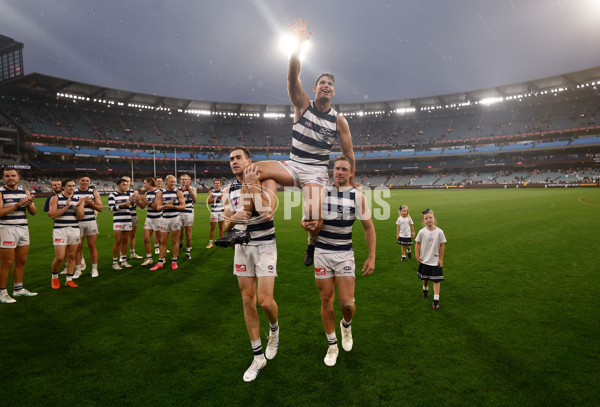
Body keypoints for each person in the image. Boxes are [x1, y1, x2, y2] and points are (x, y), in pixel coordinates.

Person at [216, 19, 356, 269]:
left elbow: (348, 153)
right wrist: (297, 47)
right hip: (293, 164)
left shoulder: (339, 121)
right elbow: (293, 76)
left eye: (330, 85)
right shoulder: (303, 105)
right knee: (252, 170)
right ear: (315, 88)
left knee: (313, 218)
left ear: (334, 92)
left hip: (316, 171)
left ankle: (312, 242)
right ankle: (243, 224)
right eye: (322, 83)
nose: (326, 86)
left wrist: (348, 178)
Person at [303, 155, 375, 367]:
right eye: (337, 169)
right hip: (322, 252)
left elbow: (369, 228)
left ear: (351, 173)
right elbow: (304, 220)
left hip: (344, 253)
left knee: (347, 303)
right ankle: (332, 344)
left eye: (344, 169)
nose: (340, 172)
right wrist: (306, 225)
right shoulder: (320, 192)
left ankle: (346, 325)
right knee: (326, 299)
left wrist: (371, 257)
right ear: (332, 171)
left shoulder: (357, 196)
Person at [221, 146, 280, 382]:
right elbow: (225, 222)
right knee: (248, 300)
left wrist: (253, 184)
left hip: (265, 245)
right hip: (242, 247)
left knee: (265, 301)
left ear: (249, 161)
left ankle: (274, 330)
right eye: (231, 159)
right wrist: (233, 218)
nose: (234, 162)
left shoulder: (267, 180)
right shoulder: (228, 189)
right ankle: (257, 357)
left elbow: (267, 213)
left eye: (238, 158)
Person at [0, 168, 37, 303]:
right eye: (7, 176)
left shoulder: (24, 191)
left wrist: (28, 204)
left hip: (23, 228)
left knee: (21, 260)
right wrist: (19, 204)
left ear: (18, 177)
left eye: (13, 176)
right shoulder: (1, 192)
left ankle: (18, 289)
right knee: (7, 262)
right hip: (7, 229)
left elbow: (33, 212)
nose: (10, 178)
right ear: (4, 178)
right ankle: (2, 292)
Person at [48, 178, 85, 289]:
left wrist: (78, 206)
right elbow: (53, 215)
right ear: (63, 187)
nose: (72, 188)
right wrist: (67, 206)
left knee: (72, 255)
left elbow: (81, 217)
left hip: (74, 229)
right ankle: (54, 277)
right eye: (69, 185)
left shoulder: (79, 199)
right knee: (60, 257)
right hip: (60, 229)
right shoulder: (55, 199)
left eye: (73, 186)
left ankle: (69, 279)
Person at [150, 175, 185, 270]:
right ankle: (160, 262)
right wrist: (165, 206)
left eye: (174, 182)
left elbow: (183, 206)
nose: (173, 183)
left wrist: (173, 207)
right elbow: (158, 207)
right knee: (163, 242)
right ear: (166, 182)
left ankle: (174, 261)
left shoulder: (178, 192)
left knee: (175, 241)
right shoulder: (161, 193)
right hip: (165, 219)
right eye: (171, 182)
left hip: (175, 219)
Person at [415, 209, 446, 310]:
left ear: (434, 219)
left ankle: (436, 300)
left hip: (435, 260)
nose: (428, 220)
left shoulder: (440, 232)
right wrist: (416, 255)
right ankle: (425, 290)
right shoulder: (421, 232)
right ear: (423, 221)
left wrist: (441, 259)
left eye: (430, 218)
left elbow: (442, 246)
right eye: (426, 218)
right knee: (425, 278)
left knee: (436, 280)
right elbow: (417, 243)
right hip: (425, 260)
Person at [74, 175, 103, 278]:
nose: (85, 182)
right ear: (79, 181)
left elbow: (100, 208)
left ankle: (94, 269)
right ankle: (78, 270)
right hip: (77, 223)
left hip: (91, 222)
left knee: (92, 246)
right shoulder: (73, 192)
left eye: (87, 181)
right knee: (78, 247)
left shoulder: (93, 192)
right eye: (83, 180)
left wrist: (90, 204)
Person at [108, 178, 135, 270]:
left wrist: (133, 202)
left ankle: (123, 261)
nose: (126, 186)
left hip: (128, 220)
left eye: (127, 185)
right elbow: (111, 208)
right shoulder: (113, 195)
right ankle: (115, 263)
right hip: (118, 221)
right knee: (118, 241)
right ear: (118, 185)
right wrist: (122, 205)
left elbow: (132, 207)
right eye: (124, 184)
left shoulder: (129, 195)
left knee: (125, 241)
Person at [137, 177, 162, 266]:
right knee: (146, 239)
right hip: (149, 218)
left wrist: (145, 200)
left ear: (150, 183)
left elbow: (157, 207)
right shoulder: (147, 193)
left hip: (158, 219)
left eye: (145, 183)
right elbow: (142, 207)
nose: (143, 185)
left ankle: (162, 258)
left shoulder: (158, 193)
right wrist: (137, 201)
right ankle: (149, 258)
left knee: (160, 240)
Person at [122, 176, 142, 260]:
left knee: (132, 235)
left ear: (130, 182)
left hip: (133, 214)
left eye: (128, 181)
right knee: (123, 236)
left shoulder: (133, 192)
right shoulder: (118, 192)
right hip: (122, 216)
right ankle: (122, 255)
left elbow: (138, 205)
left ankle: (132, 253)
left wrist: (137, 199)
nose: (126, 183)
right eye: (124, 181)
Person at [178, 173, 197, 260]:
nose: (184, 181)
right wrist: (182, 190)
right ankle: (180, 243)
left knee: (188, 232)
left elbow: (194, 199)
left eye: (186, 179)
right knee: (179, 231)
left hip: (189, 211)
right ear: (180, 181)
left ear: (189, 180)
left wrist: (188, 189)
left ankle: (188, 252)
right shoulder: (177, 189)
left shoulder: (193, 189)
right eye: (183, 179)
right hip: (178, 212)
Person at [206, 178, 224, 248]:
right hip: (214, 212)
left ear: (220, 184)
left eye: (218, 183)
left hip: (222, 211)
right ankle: (210, 243)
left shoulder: (223, 191)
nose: (217, 184)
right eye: (216, 183)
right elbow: (209, 201)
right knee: (212, 228)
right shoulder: (211, 191)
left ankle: (221, 242)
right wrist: (217, 198)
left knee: (221, 227)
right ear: (214, 184)